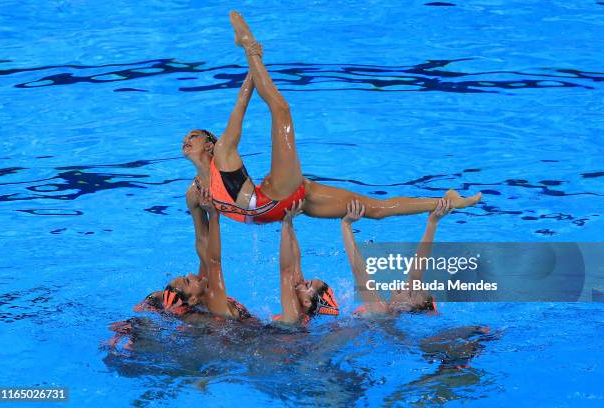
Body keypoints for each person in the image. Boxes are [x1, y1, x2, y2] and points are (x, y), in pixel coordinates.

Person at [183, 11, 482, 229]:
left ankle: (248, 44)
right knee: (374, 210)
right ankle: (449, 201)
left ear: (210, 144)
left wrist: (252, 66)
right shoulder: (194, 194)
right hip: (286, 205)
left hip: (277, 195)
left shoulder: (222, 152)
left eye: (194, 135)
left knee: (282, 111)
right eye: (187, 137)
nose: (187, 139)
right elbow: (203, 244)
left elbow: (240, 104)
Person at [134, 188, 251, 322]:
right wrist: (213, 216)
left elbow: (204, 247)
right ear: (193, 299)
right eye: (187, 281)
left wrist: (195, 208)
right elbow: (214, 262)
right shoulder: (214, 303)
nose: (191, 274)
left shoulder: (200, 291)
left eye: (186, 276)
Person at [342, 197, 452, 315]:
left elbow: (359, 271)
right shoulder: (393, 305)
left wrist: (346, 224)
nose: (408, 285)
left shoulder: (380, 310)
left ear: (405, 308)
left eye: (410, 292)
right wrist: (432, 223)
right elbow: (418, 267)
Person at [274, 200, 339, 324]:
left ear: (307, 302)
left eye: (308, 285)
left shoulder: (293, 315)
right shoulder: (302, 299)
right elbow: (296, 263)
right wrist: (288, 220)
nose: (304, 281)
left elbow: (286, 272)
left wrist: (285, 225)